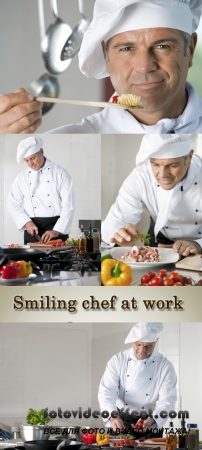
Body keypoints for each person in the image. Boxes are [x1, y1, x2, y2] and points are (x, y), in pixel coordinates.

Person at [1, 0, 202, 134]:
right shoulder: (68, 139)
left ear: (190, 49)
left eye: (162, 46)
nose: (145, 66)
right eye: (127, 48)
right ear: (106, 54)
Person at [101, 134, 202, 257]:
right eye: (155, 165)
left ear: (190, 157)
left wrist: (198, 244)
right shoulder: (140, 177)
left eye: (172, 165)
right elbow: (113, 222)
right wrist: (118, 234)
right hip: (161, 239)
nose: (163, 174)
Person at [98, 323, 177, 436]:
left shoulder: (165, 366)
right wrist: (113, 417)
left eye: (148, 346)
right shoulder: (117, 360)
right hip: (121, 421)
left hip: (150, 422)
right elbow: (106, 392)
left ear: (156, 340)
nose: (142, 350)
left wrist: (153, 420)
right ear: (132, 341)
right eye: (138, 344)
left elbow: (167, 401)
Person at [7, 137, 75, 244]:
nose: (30, 163)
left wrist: (56, 230)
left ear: (41, 152)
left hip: (56, 229)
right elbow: (12, 203)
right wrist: (27, 222)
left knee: (59, 260)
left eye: (33, 158)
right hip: (33, 231)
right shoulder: (22, 177)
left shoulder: (60, 173)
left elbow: (69, 205)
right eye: (27, 160)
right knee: (30, 261)